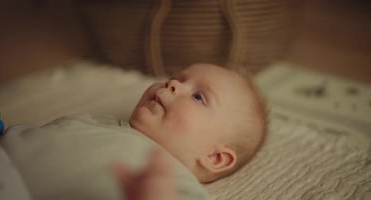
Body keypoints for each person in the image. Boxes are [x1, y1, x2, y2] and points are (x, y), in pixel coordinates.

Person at [112, 63, 268, 200]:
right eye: (177, 78)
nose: (172, 83)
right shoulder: (102, 123)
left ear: (215, 157)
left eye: (198, 97)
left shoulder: (175, 183)